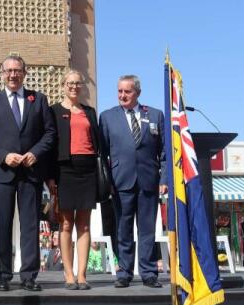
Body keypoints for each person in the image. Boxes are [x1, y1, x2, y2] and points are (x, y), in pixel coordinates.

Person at [0, 55, 56, 292]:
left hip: (31, 172)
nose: (13, 75)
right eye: (8, 71)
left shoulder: (39, 99)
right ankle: (3, 275)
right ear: (2, 74)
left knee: (31, 225)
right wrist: (4, 156)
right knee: (1, 225)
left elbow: (50, 133)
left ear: (25, 73)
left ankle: (29, 276)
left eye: (17, 70)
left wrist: (35, 152)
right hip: (2, 173)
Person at [99, 75, 167, 288]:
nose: (122, 95)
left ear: (137, 92)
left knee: (147, 229)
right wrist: (107, 181)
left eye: (127, 91)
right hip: (121, 182)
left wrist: (164, 178)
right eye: (119, 91)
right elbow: (102, 154)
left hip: (149, 181)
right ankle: (125, 272)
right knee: (123, 228)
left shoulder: (155, 115)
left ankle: (148, 272)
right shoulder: (107, 117)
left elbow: (164, 151)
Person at [48, 70, 101, 290]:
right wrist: (50, 177)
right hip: (64, 170)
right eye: (70, 83)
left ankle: (82, 275)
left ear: (83, 86)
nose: (74, 87)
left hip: (88, 169)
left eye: (78, 83)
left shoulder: (90, 111)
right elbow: (50, 146)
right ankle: (68, 275)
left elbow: (97, 142)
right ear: (63, 85)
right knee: (66, 223)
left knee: (85, 225)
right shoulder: (53, 111)